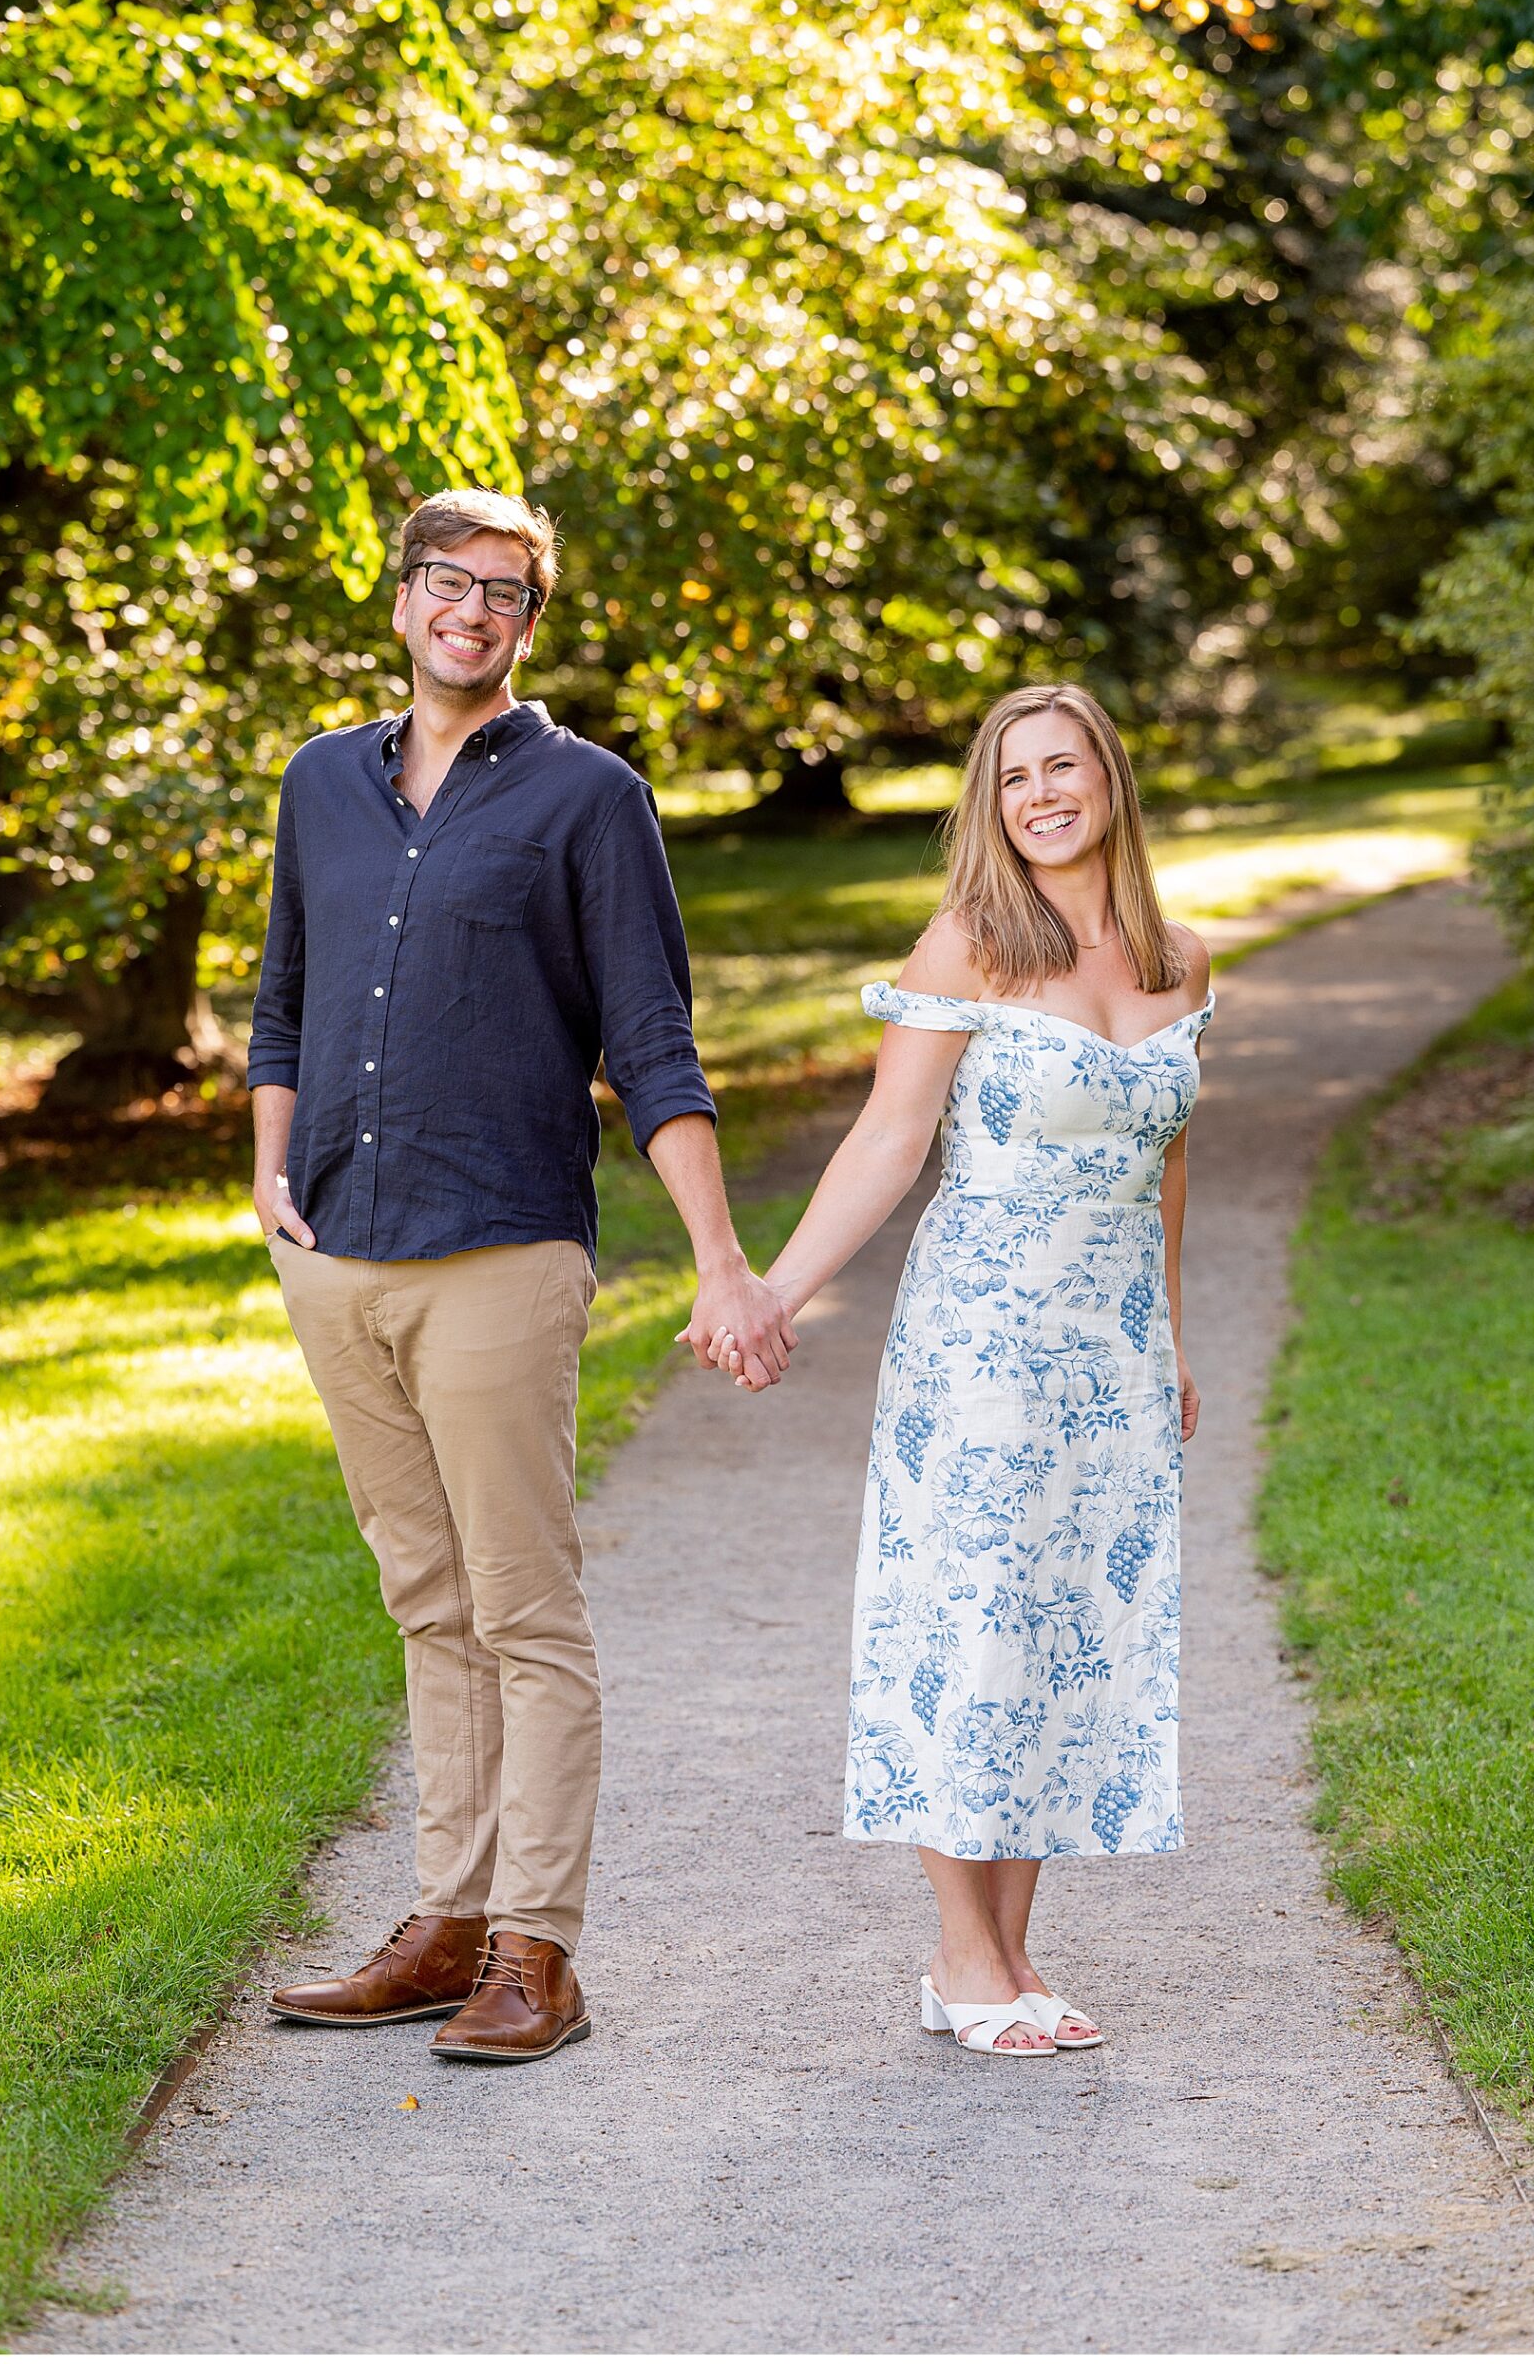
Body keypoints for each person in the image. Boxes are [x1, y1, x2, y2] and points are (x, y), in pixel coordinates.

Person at [247, 487, 792, 2065]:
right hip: (336, 1254)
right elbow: (282, 995)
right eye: (448, 580)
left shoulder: (587, 798)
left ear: (528, 626)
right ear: (403, 594)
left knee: (522, 1609)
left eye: (506, 592)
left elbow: (654, 1044)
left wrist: (720, 1259)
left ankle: (536, 1949)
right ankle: (444, 1924)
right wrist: (268, 1176)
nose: (472, 610)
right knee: (426, 1601)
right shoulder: (319, 784)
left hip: (499, 1247)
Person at [712, 684, 1212, 2055]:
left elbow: (1165, 1162)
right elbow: (885, 1141)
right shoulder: (970, 947)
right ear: (989, 806)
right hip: (983, 1334)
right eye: (1011, 777)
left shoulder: (1181, 959)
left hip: (1108, 1345)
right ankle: (961, 1958)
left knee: (1063, 1633)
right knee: (969, 1628)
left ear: (1108, 777)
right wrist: (769, 1289)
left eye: (1062, 766)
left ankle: (1011, 1957)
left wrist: (1165, 1340)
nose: (1041, 794)